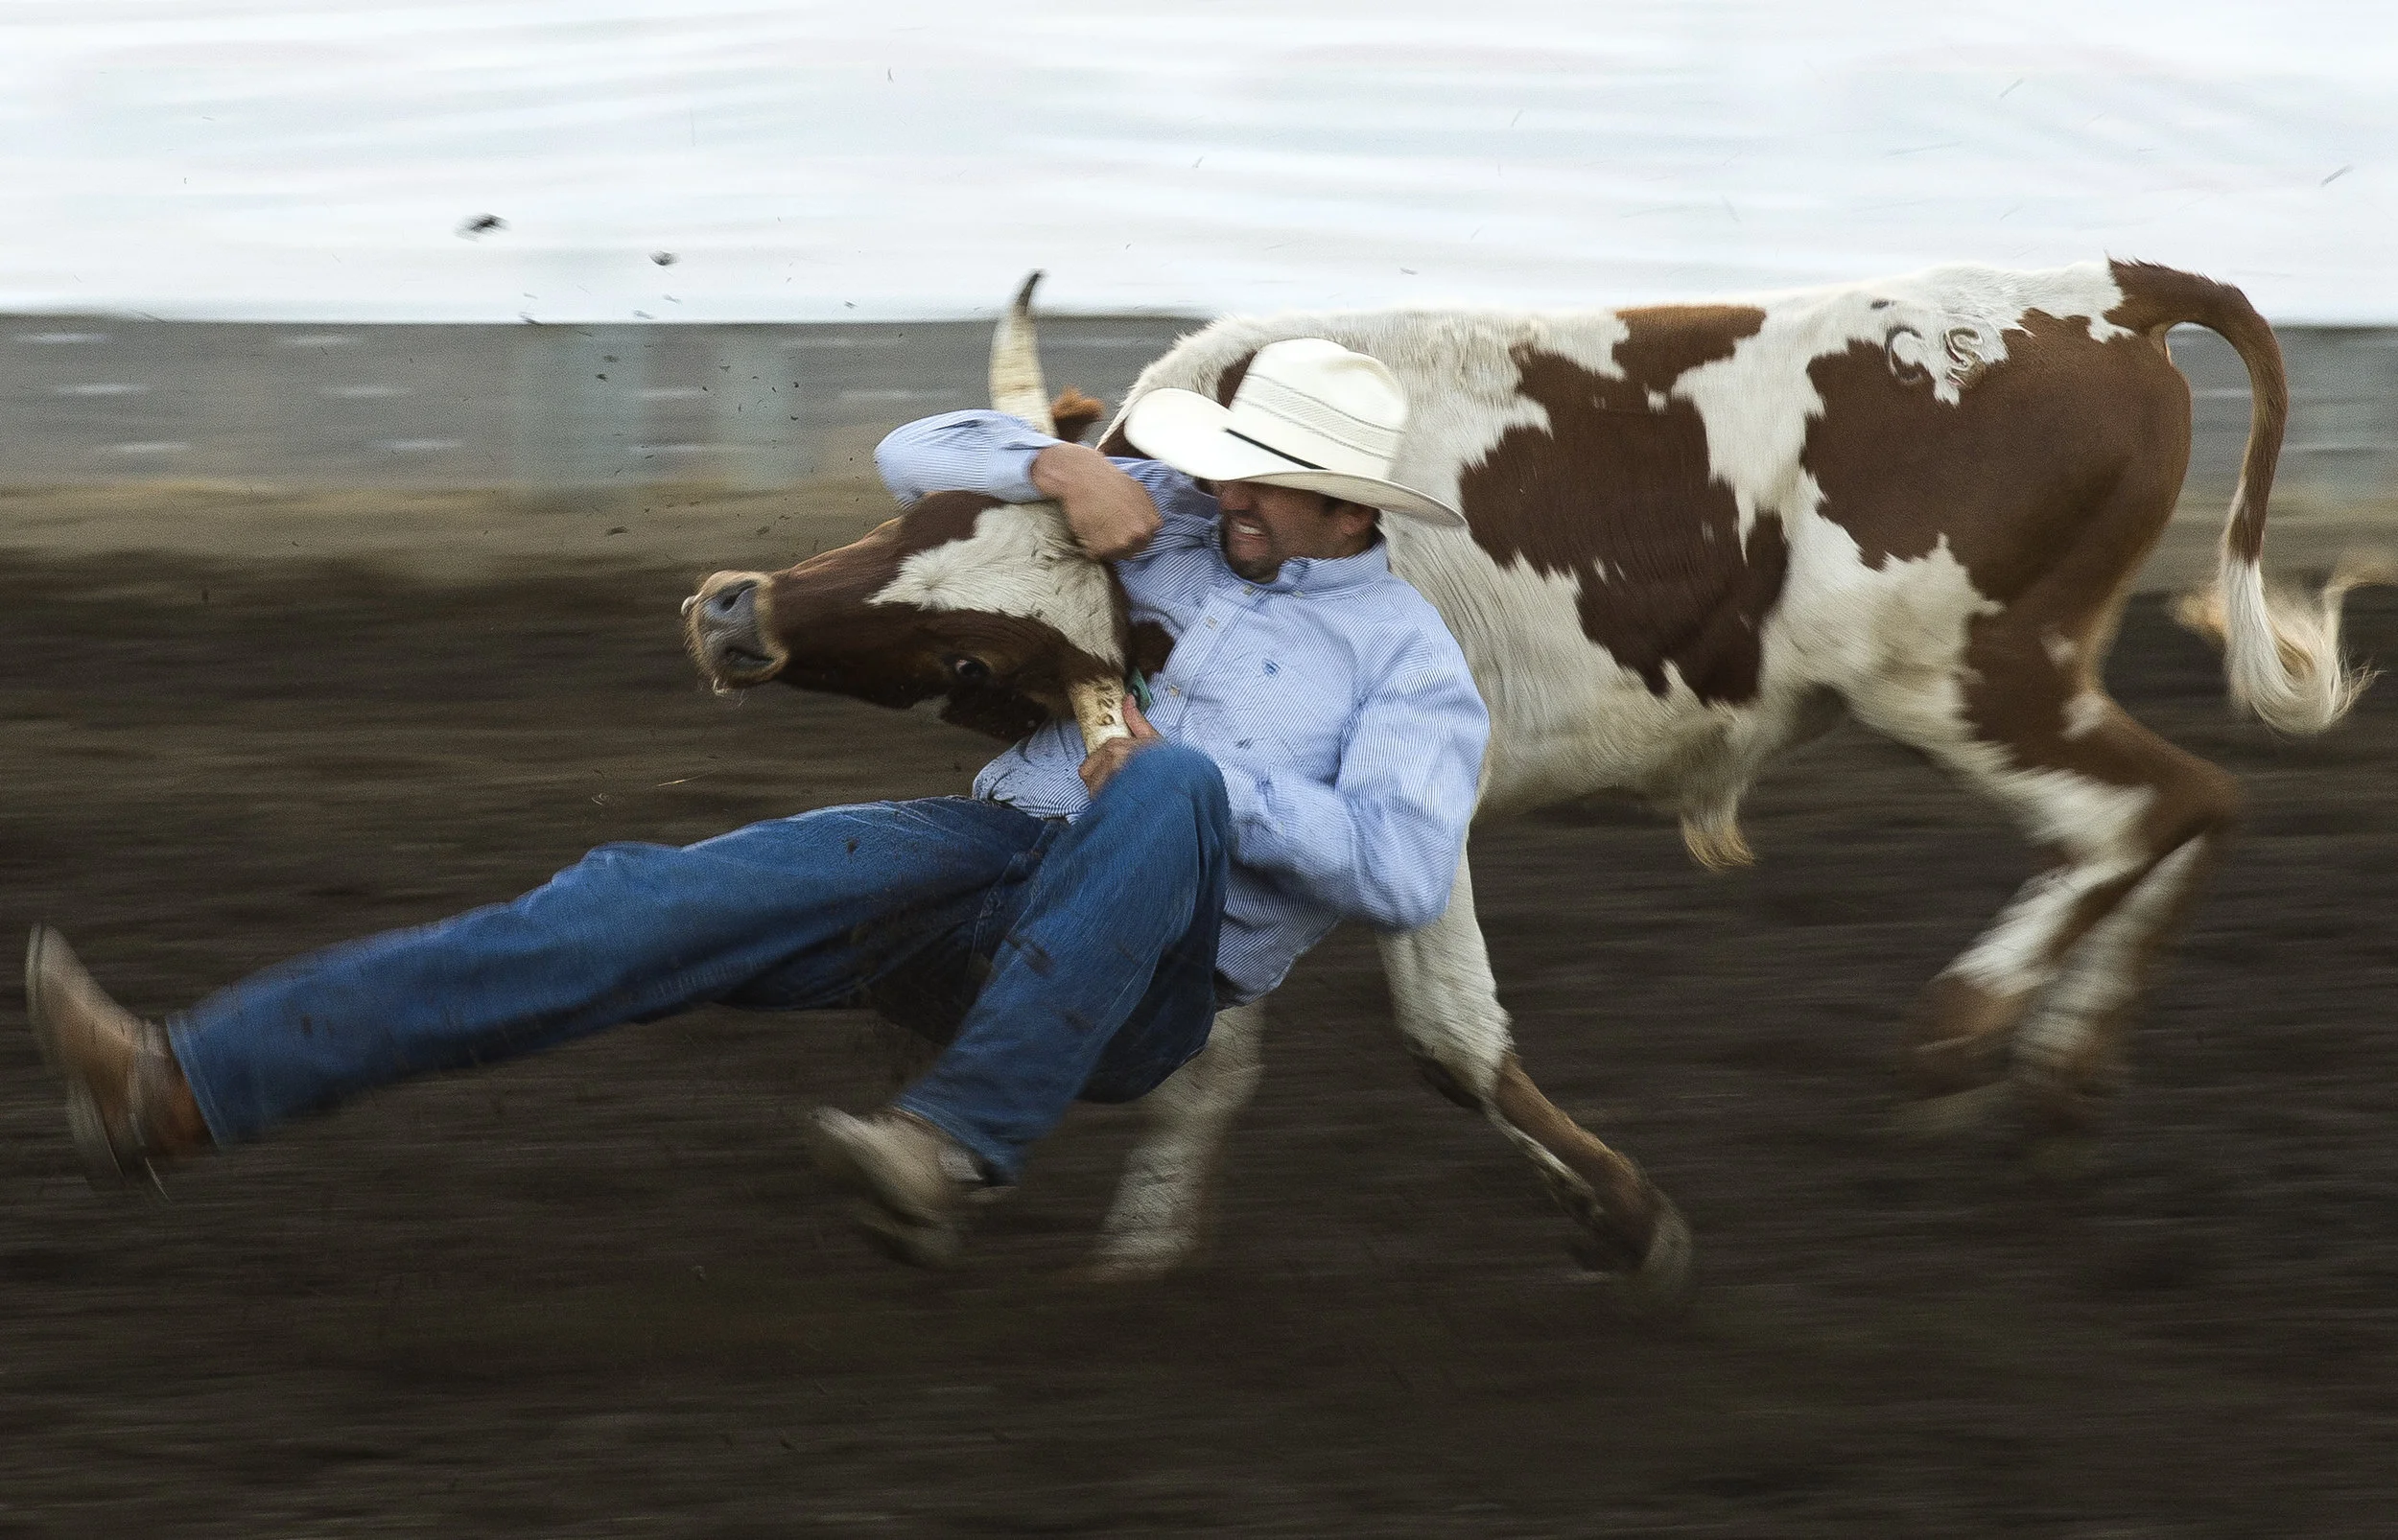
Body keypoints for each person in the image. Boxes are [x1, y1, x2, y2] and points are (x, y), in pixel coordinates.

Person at [24, 338, 1491, 1269]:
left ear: (1354, 514)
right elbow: (914, 457)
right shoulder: (1160, 511)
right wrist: (1059, 464)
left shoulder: (1411, 669)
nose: (1230, 497)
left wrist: (1194, 778)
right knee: (636, 902)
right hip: (988, 860)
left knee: (1173, 783)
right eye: (1234, 470)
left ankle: (952, 1145)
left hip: (1152, 976)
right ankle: (178, 1090)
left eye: (1270, 487)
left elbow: (1405, 868)